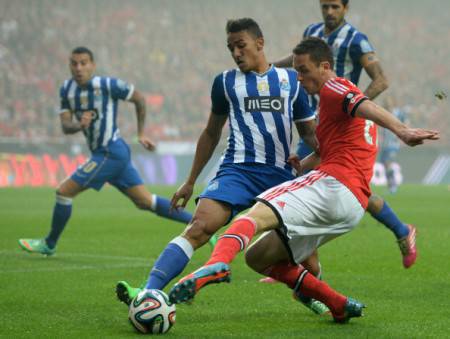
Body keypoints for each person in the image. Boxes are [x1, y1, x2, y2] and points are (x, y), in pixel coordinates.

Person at [168, 38, 439, 323]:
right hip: (351, 207)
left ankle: (217, 263)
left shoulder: (337, 87)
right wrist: (303, 164)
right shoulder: (331, 108)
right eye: (296, 70)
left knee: (253, 216)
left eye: (304, 70)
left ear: (324, 67)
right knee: (257, 257)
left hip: (334, 186)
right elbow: (331, 151)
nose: (299, 77)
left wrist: (402, 130)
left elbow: (363, 105)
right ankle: (337, 304)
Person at [115, 18, 328, 314]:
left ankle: (313, 294)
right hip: (236, 171)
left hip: (280, 176)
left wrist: (331, 158)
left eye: (241, 46)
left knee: (308, 260)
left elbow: (308, 133)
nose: (236, 53)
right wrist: (190, 181)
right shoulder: (225, 82)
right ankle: (148, 292)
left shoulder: (291, 81)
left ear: (260, 43)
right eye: (231, 48)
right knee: (199, 228)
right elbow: (211, 132)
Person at [272, 0, 417, 270]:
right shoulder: (312, 31)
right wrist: (268, 68)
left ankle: (296, 261)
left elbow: (381, 80)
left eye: (335, 6)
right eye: (325, 6)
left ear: (345, 9)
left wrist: (352, 107)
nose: (329, 12)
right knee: (320, 182)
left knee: (331, 185)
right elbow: (296, 61)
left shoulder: (356, 40)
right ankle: (399, 230)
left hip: (344, 119)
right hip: (316, 119)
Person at [18, 46, 194, 256]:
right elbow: (66, 126)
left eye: (84, 63)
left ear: (93, 65)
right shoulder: (67, 89)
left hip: (110, 151)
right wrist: (79, 125)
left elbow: (138, 98)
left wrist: (140, 133)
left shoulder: (107, 85)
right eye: (74, 63)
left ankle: (49, 243)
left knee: (64, 192)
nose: (79, 68)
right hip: (110, 153)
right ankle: (199, 224)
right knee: (145, 201)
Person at [379, 96, 407, 194]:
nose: (387, 104)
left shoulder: (398, 113)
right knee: (384, 164)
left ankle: (393, 185)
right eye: (386, 102)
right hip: (385, 144)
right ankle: (390, 185)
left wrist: (402, 138)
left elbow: (405, 124)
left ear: (393, 103)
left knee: (388, 162)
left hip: (393, 143)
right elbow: (382, 130)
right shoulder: (383, 113)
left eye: (389, 102)